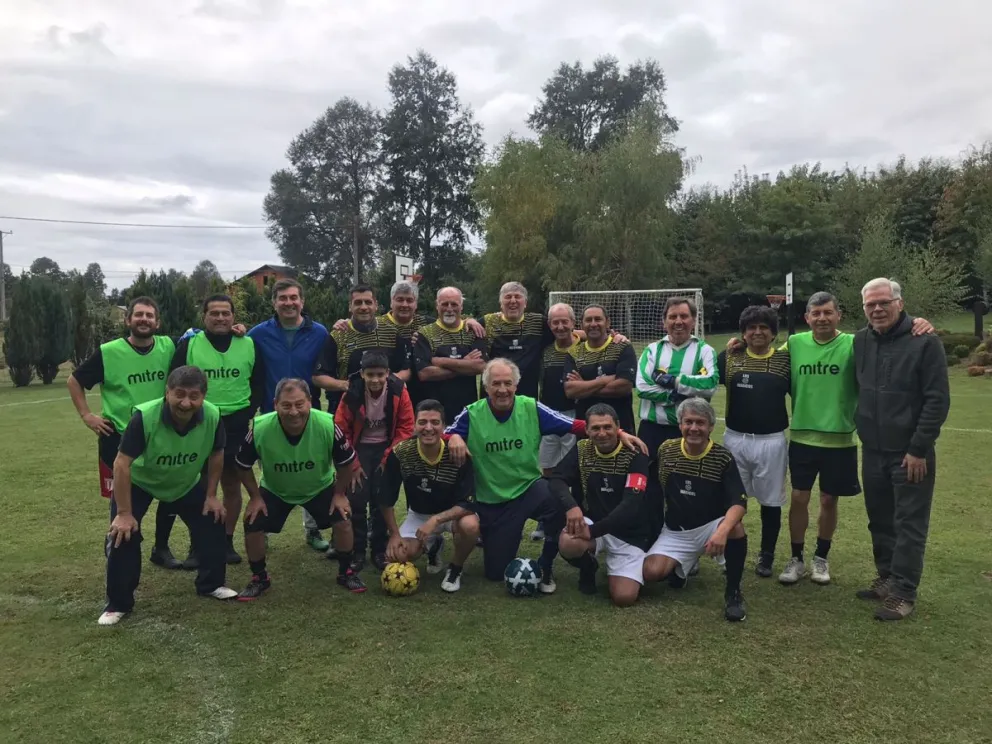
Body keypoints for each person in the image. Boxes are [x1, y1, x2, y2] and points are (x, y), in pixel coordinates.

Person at [729, 292, 932, 585]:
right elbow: (764, 350)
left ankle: (821, 558)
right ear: (807, 318)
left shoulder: (855, 342)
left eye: (827, 312)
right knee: (799, 498)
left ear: (839, 315)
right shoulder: (795, 344)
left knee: (828, 499)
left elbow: (891, 336)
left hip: (840, 440)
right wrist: (739, 342)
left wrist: (919, 323)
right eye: (816, 313)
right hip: (802, 437)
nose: (822, 318)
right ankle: (796, 558)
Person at [445, 358, 647, 592]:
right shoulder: (472, 413)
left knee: (558, 500)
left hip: (529, 489)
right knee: (496, 573)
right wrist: (454, 437)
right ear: (486, 387)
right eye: (496, 384)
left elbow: (576, 425)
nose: (502, 390)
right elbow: (441, 435)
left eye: (508, 383)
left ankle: (546, 564)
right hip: (493, 500)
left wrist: (618, 432)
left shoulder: (530, 407)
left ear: (516, 386)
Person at [98, 366, 237, 625]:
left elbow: (217, 454)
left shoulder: (213, 415)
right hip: (141, 481)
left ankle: (211, 584)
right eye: (179, 394)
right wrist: (124, 513)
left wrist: (211, 495)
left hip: (184, 481)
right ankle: (118, 603)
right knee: (123, 533)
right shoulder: (144, 416)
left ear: (204, 396)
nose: (186, 403)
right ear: (167, 393)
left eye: (194, 396)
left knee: (214, 518)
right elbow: (121, 463)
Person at [853, 278, 949, 621]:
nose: (877, 309)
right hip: (873, 449)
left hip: (910, 453)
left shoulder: (925, 341)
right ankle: (887, 577)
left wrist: (919, 448)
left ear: (900, 303)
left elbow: (937, 400)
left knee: (909, 523)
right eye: (870, 304)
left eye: (884, 302)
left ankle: (904, 592)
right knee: (879, 518)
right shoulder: (861, 340)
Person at [68, 296, 187, 570]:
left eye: (149, 315)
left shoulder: (169, 345)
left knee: (169, 489)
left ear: (157, 322)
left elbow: (202, 335)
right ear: (127, 320)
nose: (144, 319)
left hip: (160, 434)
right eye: (138, 315)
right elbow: (75, 381)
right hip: (119, 437)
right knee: (124, 499)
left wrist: (238, 327)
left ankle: (162, 548)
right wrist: (87, 415)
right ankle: (118, 542)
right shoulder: (109, 351)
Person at [235, 378, 366, 599]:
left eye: (299, 404)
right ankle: (259, 578)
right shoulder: (260, 427)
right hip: (276, 489)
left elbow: (345, 462)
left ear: (310, 402)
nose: (294, 412)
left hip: (319, 487)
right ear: (275, 404)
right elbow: (242, 465)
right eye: (286, 405)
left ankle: (346, 572)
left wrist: (340, 494)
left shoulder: (327, 424)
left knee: (343, 517)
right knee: (252, 522)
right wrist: (255, 497)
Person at [169, 294, 264, 566]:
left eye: (226, 313)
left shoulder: (249, 344)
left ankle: (225, 541)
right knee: (196, 487)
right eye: (214, 313)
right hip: (197, 425)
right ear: (204, 317)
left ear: (234, 317)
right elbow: (174, 381)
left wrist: (247, 411)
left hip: (235, 425)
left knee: (232, 486)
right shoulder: (189, 345)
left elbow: (258, 382)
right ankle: (198, 545)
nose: (221, 318)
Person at [642, 399, 749, 623]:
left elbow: (739, 503)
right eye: (688, 422)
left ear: (711, 426)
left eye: (700, 423)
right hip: (676, 531)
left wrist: (722, 531)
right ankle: (680, 570)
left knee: (735, 528)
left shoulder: (722, 457)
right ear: (680, 424)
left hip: (710, 527)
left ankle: (733, 593)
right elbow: (648, 483)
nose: (694, 428)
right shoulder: (667, 449)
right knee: (650, 573)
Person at [247, 278, 331, 552]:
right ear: (274, 302)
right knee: (270, 470)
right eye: (282, 298)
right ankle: (264, 525)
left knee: (313, 470)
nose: (288, 303)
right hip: (272, 414)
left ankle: (313, 529)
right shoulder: (258, 334)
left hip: (309, 415)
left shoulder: (319, 332)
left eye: (293, 297)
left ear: (302, 302)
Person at [634, 297, 718, 570]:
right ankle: (651, 539)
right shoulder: (652, 350)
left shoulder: (704, 350)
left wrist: (673, 380)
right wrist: (678, 394)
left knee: (685, 488)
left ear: (693, 321)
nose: (678, 321)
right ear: (664, 321)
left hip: (688, 431)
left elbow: (710, 384)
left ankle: (687, 549)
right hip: (652, 429)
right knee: (650, 488)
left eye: (684, 316)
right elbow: (642, 386)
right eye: (673, 316)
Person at [552, 404, 654, 606]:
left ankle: (626, 568)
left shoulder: (635, 454)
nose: (602, 433)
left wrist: (594, 531)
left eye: (607, 427)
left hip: (629, 533)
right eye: (596, 428)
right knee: (568, 542)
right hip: (595, 524)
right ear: (587, 430)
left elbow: (631, 504)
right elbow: (556, 479)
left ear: (618, 427)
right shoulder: (582, 449)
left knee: (623, 598)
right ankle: (588, 568)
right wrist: (572, 506)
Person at [717, 306, 790, 579]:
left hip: (771, 441)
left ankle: (767, 556)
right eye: (751, 328)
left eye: (763, 327)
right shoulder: (729, 358)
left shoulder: (786, 361)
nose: (757, 332)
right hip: (735, 440)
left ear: (773, 333)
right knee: (733, 499)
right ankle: (730, 551)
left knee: (771, 502)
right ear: (743, 333)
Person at [329, 280, 486, 407]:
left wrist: (469, 320)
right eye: (400, 300)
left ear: (416, 304)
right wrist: (344, 322)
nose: (405, 304)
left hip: (424, 393)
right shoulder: (380, 324)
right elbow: (361, 322)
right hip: (390, 392)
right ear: (391, 302)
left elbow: (448, 319)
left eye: (409, 300)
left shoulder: (425, 323)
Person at [378, 399, 481, 591]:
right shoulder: (401, 453)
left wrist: (436, 520)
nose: (428, 428)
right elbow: (385, 499)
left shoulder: (458, 453)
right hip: (419, 514)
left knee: (471, 526)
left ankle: (455, 569)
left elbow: (467, 504)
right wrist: (394, 534)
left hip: (453, 515)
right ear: (414, 425)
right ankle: (433, 546)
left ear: (444, 426)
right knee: (398, 554)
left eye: (435, 422)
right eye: (422, 422)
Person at [334, 351, 414, 572]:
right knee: (357, 498)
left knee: (382, 499)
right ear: (362, 374)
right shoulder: (352, 392)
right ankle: (356, 551)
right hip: (358, 447)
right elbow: (341, 429)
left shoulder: (399, 389)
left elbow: (406, 428)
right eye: (370, 375)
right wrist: (353, 463)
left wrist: (388, 458)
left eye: (380, 374)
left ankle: (379, 549)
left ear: (388, 373)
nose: (376, 379)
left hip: (387, 447)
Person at [532, 302, 580, 542]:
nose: (560, 326)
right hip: (549, 416)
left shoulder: (583, 348)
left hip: (574, 416)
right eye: (555, 322)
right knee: (548, 468)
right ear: (549, 324)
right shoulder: (545, 350)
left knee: (572, 471)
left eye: (565, 321)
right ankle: (548, 517)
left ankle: (573, 516)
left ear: (573, 322)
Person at [413, 286, 488, 424]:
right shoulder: (424, 334)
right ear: (437, 306)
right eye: (444, 304)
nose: (449, 308)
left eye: (454, 304)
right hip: (434, 413)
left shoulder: (473, 332)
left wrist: (440, 361)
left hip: (468, 411)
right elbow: (425, 373)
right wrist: (465, 365)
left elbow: (480, 367)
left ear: (461, 307)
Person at [564, 304, 638, 433]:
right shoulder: (574, 353)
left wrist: (584, 386)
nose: (593, 324)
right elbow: (571, 391)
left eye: (598, 319)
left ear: (607, 322)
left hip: (621, 427)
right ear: (581, 325)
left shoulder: (622, 347)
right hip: (586, 429)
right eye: (588, 320)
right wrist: (603, 381)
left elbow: (624, 386)